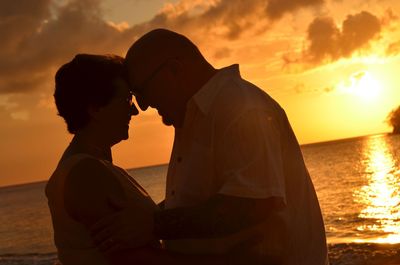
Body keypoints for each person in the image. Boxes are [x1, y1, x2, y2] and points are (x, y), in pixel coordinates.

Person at [92, 29, 329, 265]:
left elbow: (251, 205)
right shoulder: (195, 116)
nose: (142, 106)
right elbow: (198, 200)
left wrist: (153, 225)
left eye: (141, 91)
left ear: (174, 70)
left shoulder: (240, 108)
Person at [46, 54, 243, 265]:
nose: (134, 110)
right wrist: (230, 261)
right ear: (95, 109)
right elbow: (137, 260)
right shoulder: (87, 174)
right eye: (126, 100)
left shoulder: (92, 168)